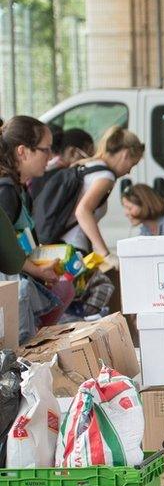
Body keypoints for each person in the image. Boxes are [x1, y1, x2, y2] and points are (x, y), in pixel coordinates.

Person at [0, 116, 74, 342]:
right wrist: (38, 270)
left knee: (65, 287)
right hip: (13, 288)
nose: (50, 157)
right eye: (46, 150)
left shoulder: (19, 189)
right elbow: (6, 251)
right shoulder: (6, 192)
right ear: (23, 151)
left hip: (20, 278)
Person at [63, 126, 144, 256]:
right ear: (126, 154)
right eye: (132, 165)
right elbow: (82, 211)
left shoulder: (89, 166)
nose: (129, 171)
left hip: (64, 244)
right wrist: (105, 253)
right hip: (73, 247)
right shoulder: (105, 176)